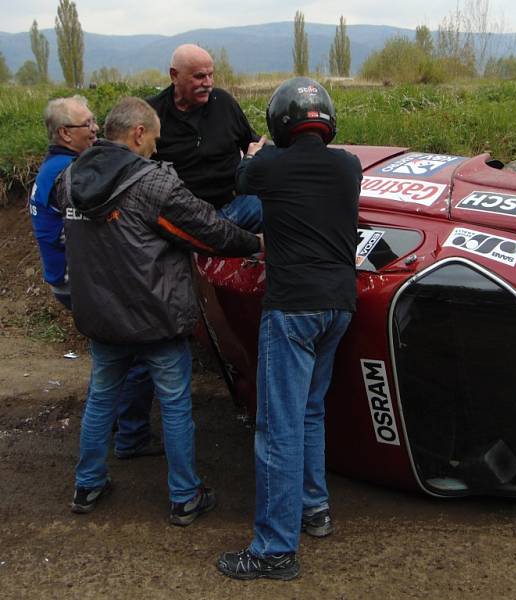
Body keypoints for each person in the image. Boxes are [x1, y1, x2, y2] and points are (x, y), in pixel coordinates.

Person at [54, 97, 262, 524]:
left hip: (101, 318)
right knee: (174, 405)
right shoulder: (153, 185)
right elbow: (209, 232)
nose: (156, 148)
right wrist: (256, 243)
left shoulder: (70, 178)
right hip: (155, 318)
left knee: (100, 400)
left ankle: (87, 483)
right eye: (154, 139)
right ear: (136, 134)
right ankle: (184, 494)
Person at [217, 77, 361, 581]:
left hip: (293, 307)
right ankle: (314, 509)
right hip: (339, 306)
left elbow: (240, 182)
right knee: (310, 411)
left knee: (276, 426)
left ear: (280, 123)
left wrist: (255, 151)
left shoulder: (269, 165)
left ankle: (275, 549)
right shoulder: (348, 165)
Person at [29, 95, 161, 460]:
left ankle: (117, 423)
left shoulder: (56, 166)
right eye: (85, 124)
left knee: (114, 358)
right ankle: (131, 434)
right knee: (136, 355)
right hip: (80, 279)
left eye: (93, 121)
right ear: (62, 133)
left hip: (65, 276)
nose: (94, 129)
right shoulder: (71, 173)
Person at [147, 44, 262, 231]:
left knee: (280, 209)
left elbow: (253, 143)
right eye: (200, 76)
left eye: (211, 75)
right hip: (184, 218)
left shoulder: (224, 103)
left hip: (234, 206)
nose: (208, 83)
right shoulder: (152, 115)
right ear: (174, 75)